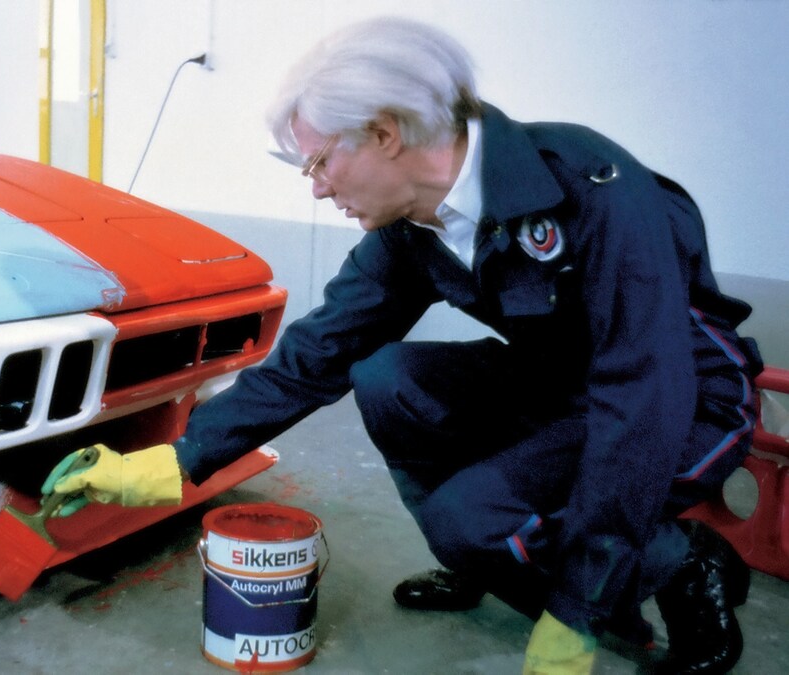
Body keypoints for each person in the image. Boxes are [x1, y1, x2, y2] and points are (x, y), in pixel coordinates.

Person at [44, 16, 762, 674]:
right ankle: (484, 553)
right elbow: (316, 355)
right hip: (567, 387)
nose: (318, 190)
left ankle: (680, 561)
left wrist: (577, 604)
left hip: (683, 398)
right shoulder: (409, 230)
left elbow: (639, 397)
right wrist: (175, 461)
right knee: (388, 375)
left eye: (320, 162)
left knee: (472, 519)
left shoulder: (590, 187)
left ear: (385, 133)